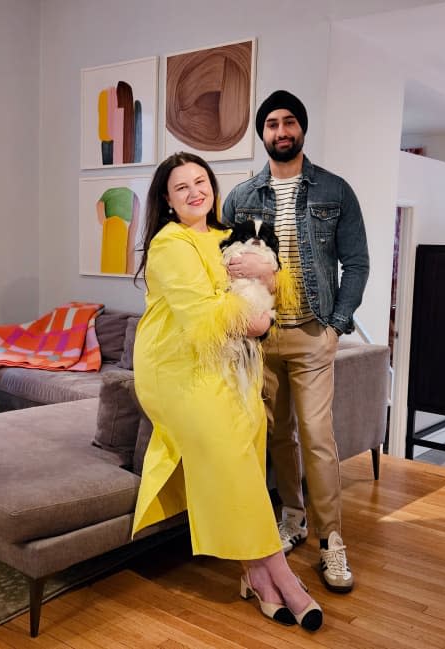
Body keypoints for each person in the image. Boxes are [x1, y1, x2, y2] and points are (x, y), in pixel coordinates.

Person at [131, 151, 323, 631]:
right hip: (179, 371)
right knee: (231, 454)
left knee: (247, 448)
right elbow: (204, 314)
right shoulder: (169, 244)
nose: (196, 191)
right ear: (168, 201)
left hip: (230, 369)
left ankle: (254, 576)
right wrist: (256, 307)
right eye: (182, 187)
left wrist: (266, 289)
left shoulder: (227, 236)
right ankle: (281, 573)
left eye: (202, 181)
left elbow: (271, 287)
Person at [222, 90, 370, 593]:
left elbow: (358, 263)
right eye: (271, 124)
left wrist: (337, 324)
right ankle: (292, 518)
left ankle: (332, 543)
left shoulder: (335, 191)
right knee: (276, 435)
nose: (281, 132)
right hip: (259, 338)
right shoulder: (241, 196)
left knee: (318, 439)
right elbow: (224, 262)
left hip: (311, 333)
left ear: (301, 129)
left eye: (289, 123)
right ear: (262, 134)